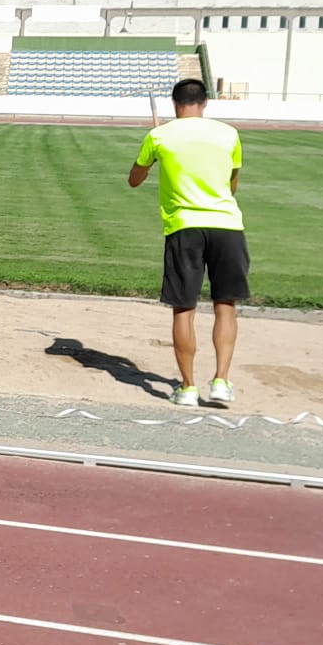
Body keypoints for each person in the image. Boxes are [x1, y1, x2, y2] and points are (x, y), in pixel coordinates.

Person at [129, 78, 248, 407]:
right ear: (205, 102)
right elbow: (232, 183)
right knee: (226, 305)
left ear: (174, 103)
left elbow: (133, 181)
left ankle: (188, 387)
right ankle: (221, 381)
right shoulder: (228, 134)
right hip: (227, 225)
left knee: (184, 307)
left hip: (184, 228)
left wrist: (154, 161)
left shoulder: (159, 136)